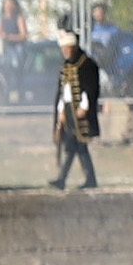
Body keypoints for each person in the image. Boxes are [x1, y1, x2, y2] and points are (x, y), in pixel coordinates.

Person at [48, 26, 103, 191]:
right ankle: (65, 180)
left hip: (80, 111)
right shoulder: (66, 66)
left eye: (67, 48)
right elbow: (63, 91)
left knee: (79, 146)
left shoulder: (87, 64)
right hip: (68, 110)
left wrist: (84, 107)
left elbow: (91, 88)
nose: (64, 51)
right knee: (73, 147)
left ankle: (74, 179)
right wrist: (61, 112)